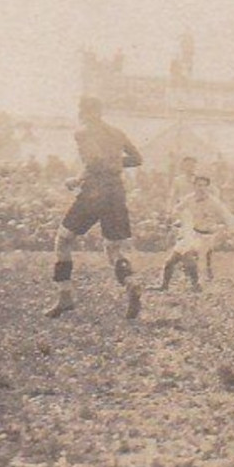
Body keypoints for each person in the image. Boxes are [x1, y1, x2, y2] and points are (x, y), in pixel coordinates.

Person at [46, 96, 145, 320]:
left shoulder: (82, 132)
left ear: (85, 111)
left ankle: (65, 297)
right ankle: (131, 283)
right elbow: (137, 159)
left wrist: (77, 179)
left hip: (94, 192)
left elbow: (94, 162)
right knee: (114, 249)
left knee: (63, 240)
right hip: (116, 192)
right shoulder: (117, 132)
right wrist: (115, 163)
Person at [159, 175, 234, 293]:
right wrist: (173, 218)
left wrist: (230, 230)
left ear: (207, 187)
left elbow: (227, 216)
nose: (201, 188)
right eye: (199, 185)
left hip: (206, 236)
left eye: (204, 185)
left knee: (188, 256)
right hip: (192, 232)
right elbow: (177, 209)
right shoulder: (189, 198)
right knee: (171, 260)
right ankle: (163, 285)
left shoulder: (213, 202)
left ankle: (195, 285)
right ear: (194, 186)